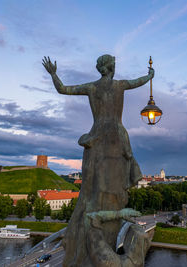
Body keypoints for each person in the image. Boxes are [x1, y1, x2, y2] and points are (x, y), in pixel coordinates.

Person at [42, 55, 154, 266]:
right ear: (112, 67)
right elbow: (137, 81)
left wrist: (53, 74)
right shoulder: (120, 85)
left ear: (101, 68)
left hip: (97, 138)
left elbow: (63, 89)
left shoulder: (92, 87)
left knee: (92, 189)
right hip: (116, 138)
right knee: (116, 182)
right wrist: (150, 76)